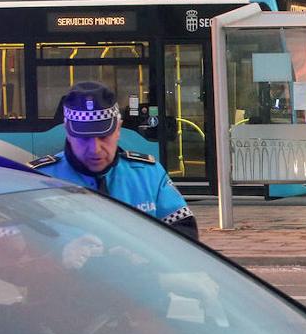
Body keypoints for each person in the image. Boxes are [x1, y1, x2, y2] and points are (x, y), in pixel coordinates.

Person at [29, 81, 199, 241]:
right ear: (67, 131)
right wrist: (60, 254)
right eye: (84, 139)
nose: (95, 148)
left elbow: (186, 234)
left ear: (118, 129)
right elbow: (17, 247)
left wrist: (141, 255)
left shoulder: (148, 175)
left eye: (103, 137)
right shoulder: (37, 180)